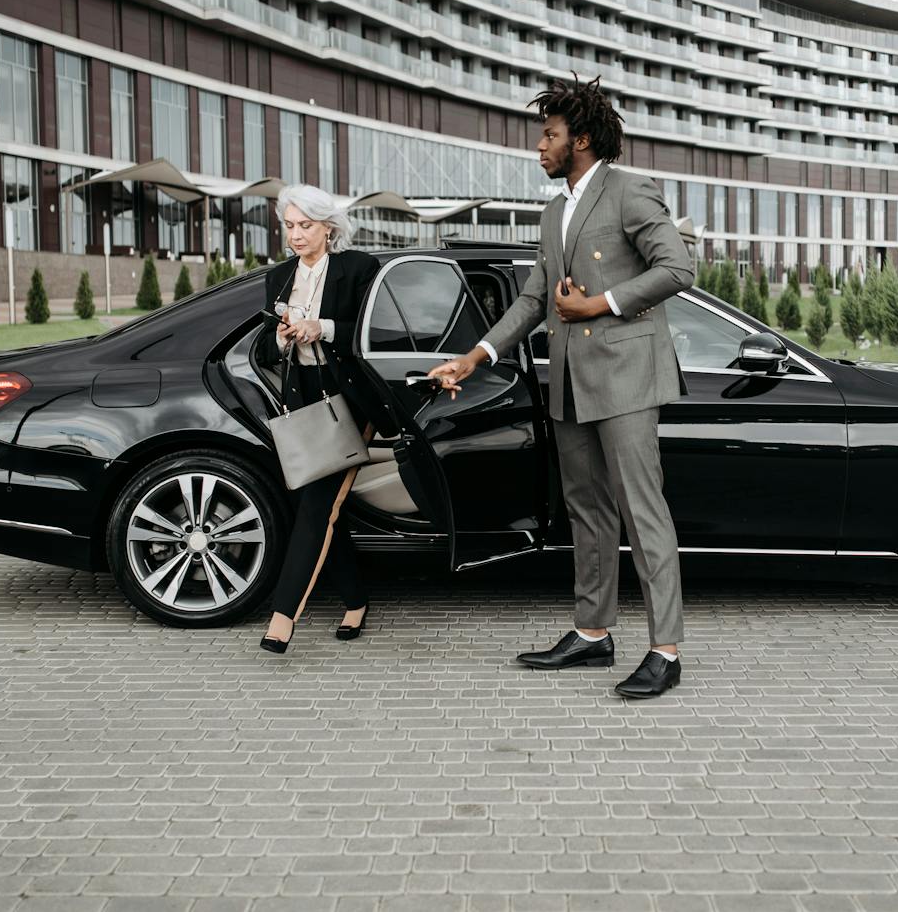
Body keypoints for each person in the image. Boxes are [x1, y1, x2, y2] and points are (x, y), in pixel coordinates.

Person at [429, 76, 694, 698]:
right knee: (588, 510)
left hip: (627, 379)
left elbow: (678, 268)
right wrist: (475, 355)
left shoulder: (629, 190)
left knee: (642, 510)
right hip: (571, 383)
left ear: (579, 139)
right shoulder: (554, 210)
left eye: (548, 136)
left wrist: (600, 303)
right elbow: (532, 299)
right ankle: (593, 634)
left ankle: (666, 650)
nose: (538, 147)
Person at [255, 184, 382, 653]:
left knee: (317, 507)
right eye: (289, 226)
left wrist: (321, 327)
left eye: (305, 226)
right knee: (325, 507)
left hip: (348, 399)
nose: (295, 235)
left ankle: (282, 617)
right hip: (302, 398)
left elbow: (372, 333)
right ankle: (355, 599)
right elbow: (265, 348)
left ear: (329, 227)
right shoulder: (279, 278)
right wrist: (287, 337)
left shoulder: (358, 269)